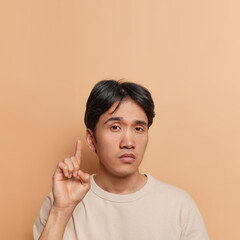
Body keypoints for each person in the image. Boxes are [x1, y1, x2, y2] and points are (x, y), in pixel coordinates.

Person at [33, 80, 209, 240]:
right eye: (115, 127)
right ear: (91, 138)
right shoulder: (60, 202)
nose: (129, 142)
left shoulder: (179, 205)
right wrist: (62, 211)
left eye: (139, 129)